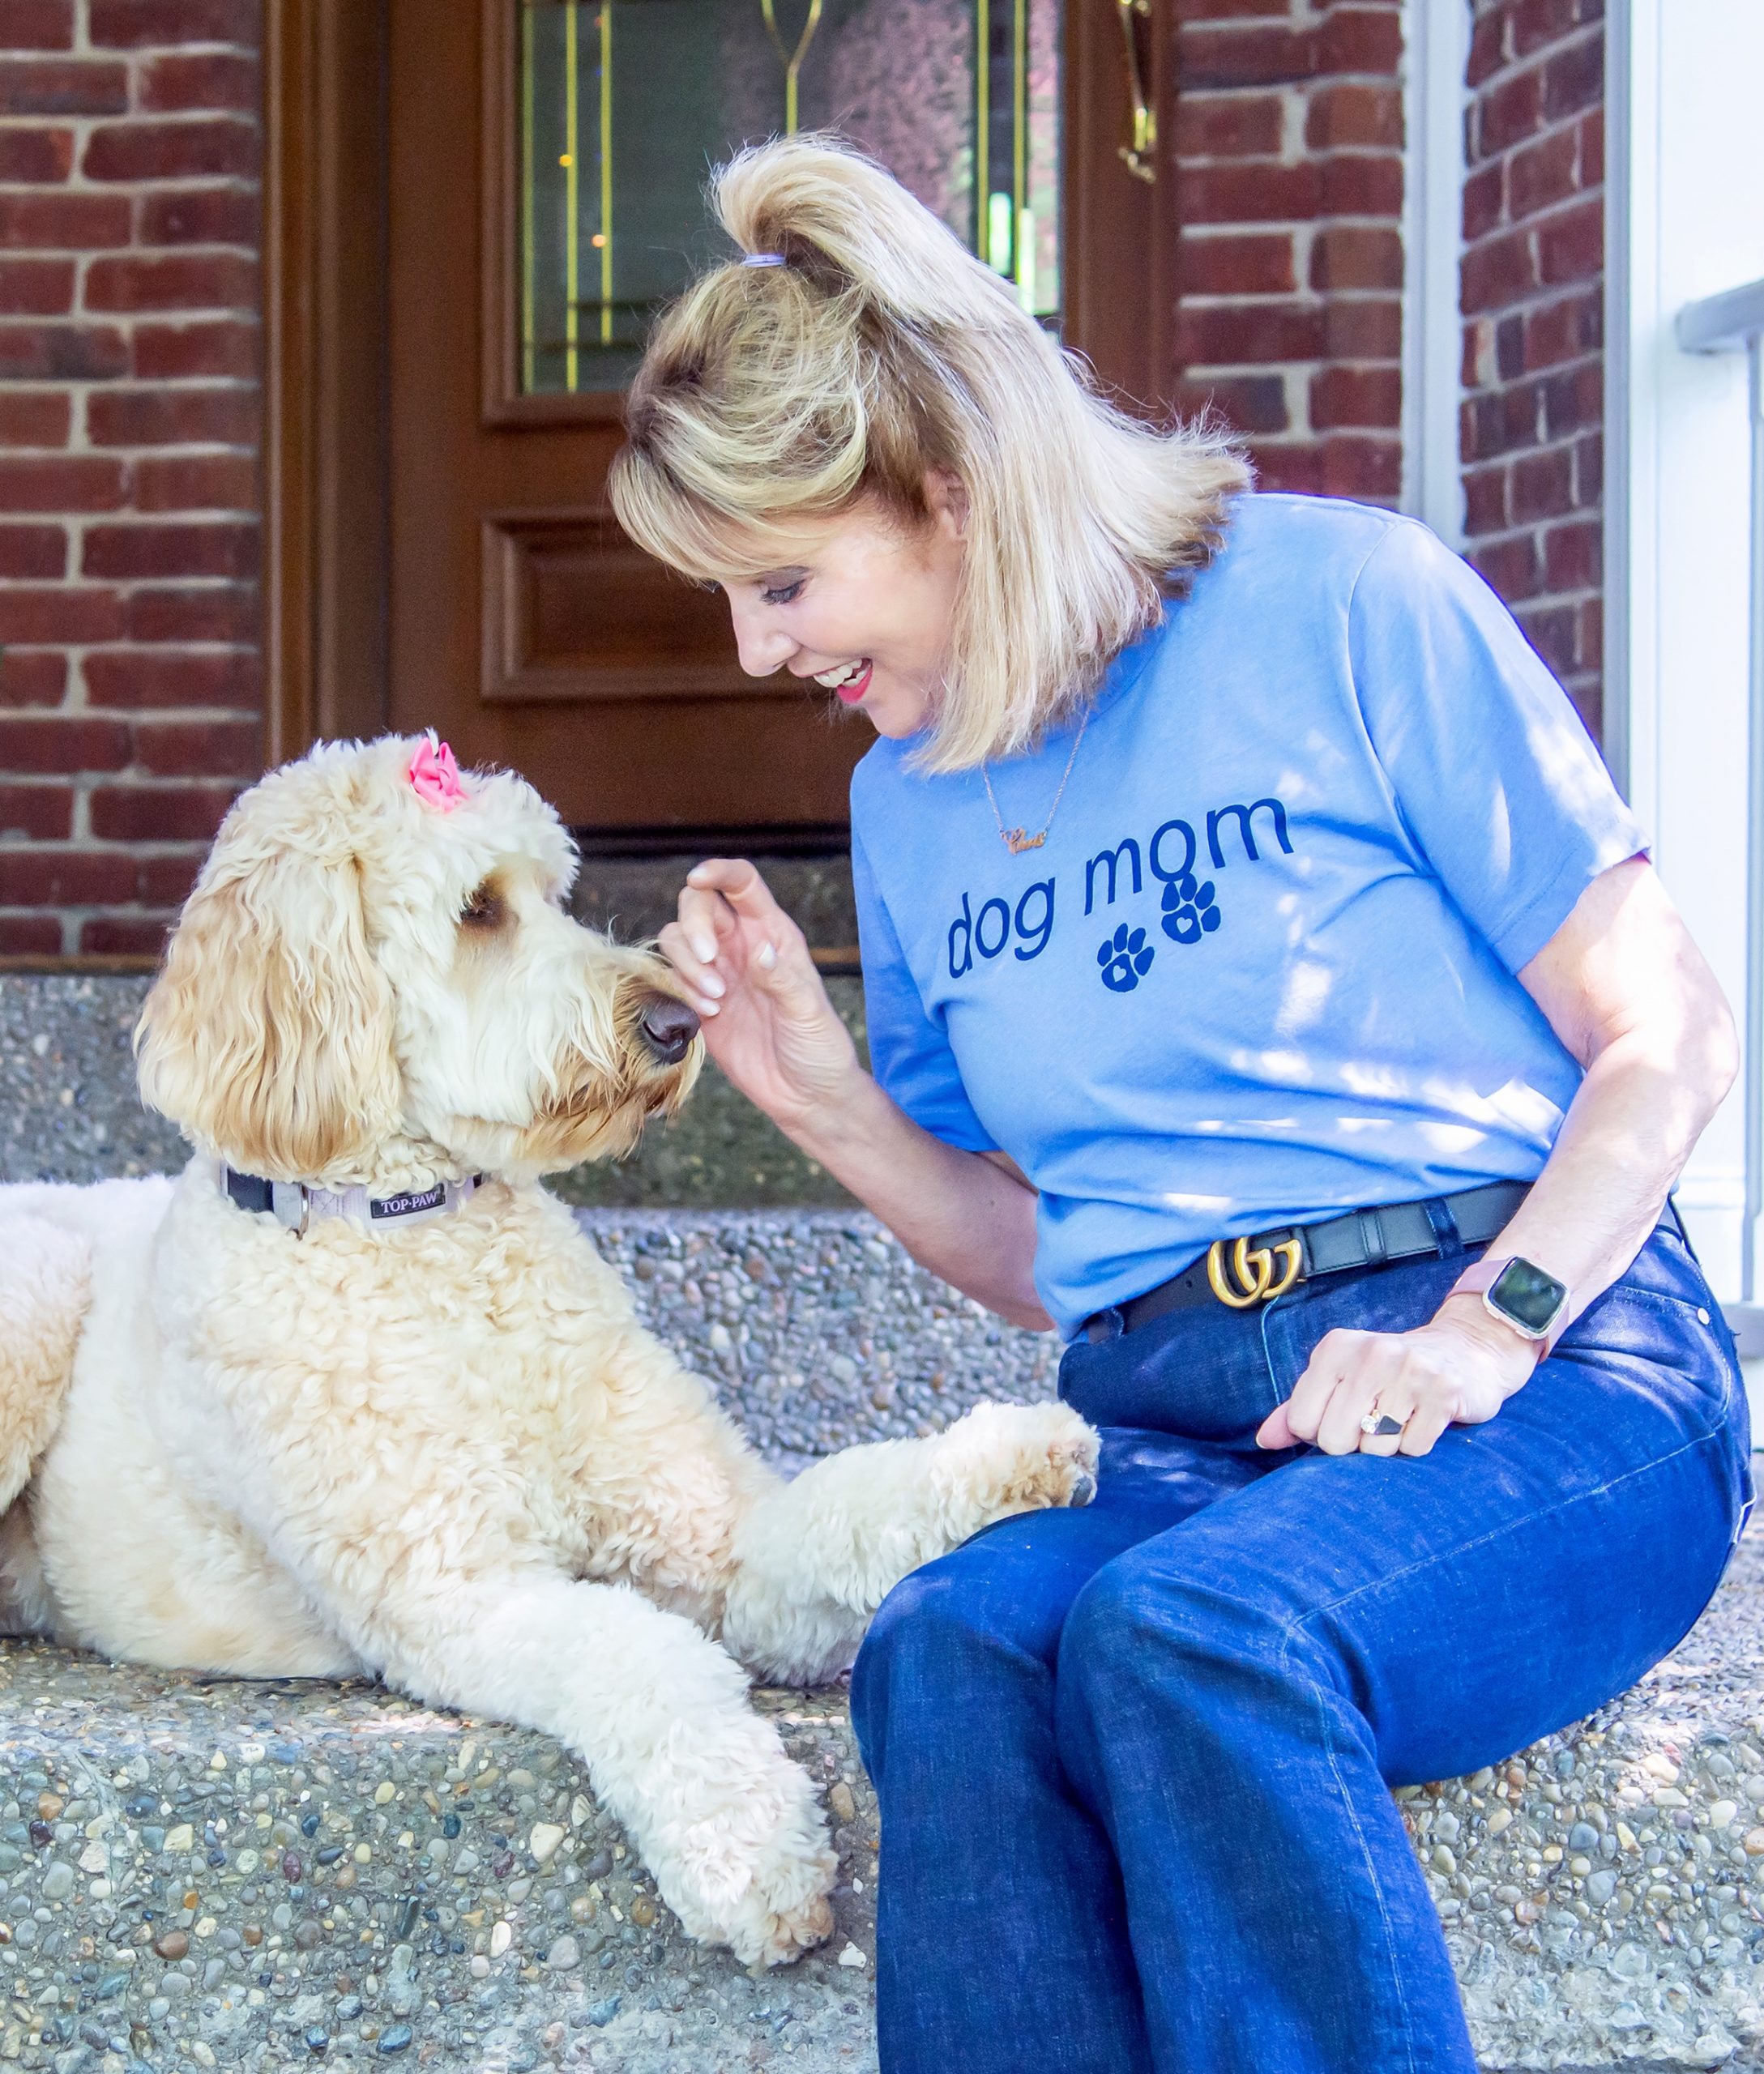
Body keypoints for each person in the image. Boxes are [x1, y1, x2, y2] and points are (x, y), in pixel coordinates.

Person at [609, 134, 1753, 2074]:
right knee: (952, 1646)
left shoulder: (1344, 599)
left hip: (1549, 1385)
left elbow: (1669, 1031)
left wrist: (1490, 1328)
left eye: (785, 579)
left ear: (951, 493)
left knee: (1194, 1636)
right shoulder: (910, 801)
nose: (760, 650)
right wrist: (825, 1105)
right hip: (1180, 1428)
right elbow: (1057, 1254)